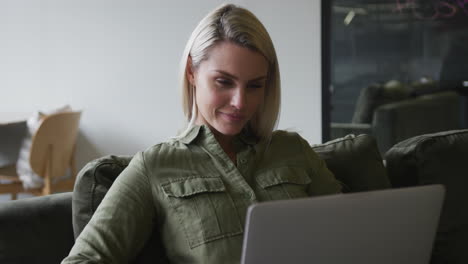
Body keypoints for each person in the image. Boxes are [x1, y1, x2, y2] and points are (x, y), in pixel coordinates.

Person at [62, 3, 342, 264]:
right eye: (224, 82)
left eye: (255, 86)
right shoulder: (155, 167)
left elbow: (350, 230)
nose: (240, 103)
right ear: (192, 72)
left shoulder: (293, 150)